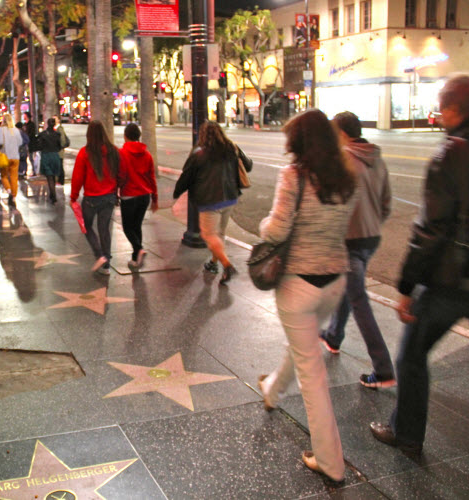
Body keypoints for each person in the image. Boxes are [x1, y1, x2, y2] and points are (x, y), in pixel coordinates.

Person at [370, 74, 469, 457]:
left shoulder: (451, 153)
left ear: (452, 109)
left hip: (452, 280)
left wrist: (406, 287)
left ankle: (407, 433)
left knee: (412, 356)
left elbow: (431, 229)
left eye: (441, 105)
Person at [257, 109, 357, 483]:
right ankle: (272, 390)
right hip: (335, 282)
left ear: (297, 142)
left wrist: (264, 224)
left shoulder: (294, 177)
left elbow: (276, 230)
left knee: (311, 373)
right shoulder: (346, 177)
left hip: (299, 283)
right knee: (305, 346)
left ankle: (330, 462)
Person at [320, 111, 395, 389]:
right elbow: (386, 204)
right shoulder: (377, 159)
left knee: (358, 298)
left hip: (349, 240)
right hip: (371, 238)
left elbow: (330, 206)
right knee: (350, 289)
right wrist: (371, 224)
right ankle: (334, 336)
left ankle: (383, 369)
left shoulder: (342, 161)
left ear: (341, 134)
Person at [173, 121, 252, 285]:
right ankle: (213, 264)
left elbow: (186, 177)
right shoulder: (231, 148)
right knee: (219, 234)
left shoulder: (198, 153)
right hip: (230, 198)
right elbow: (248, 166)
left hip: (210, 201)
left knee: (208, 235)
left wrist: (177, 192)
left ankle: (227, 265)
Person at [70, 120, 120, 275]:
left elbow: (77, 177)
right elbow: (119, 173)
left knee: (87, 227)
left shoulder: (84, 153)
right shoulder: (114, 151)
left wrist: (73, 196)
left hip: (91, 198)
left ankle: (99, 255)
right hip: (109, 197)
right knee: (104, 229)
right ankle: (106, 264)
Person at [118, 123, 158, 270]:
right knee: (137, 226)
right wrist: (154, 198)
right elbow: (151, 177)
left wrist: (118, 188)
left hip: (129, 195)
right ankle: (136, 259)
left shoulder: (122, 153)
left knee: (128, 227)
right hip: (144, 196)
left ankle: (138, 248)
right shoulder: (147, 154)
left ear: (125, 136)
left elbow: (120, 174)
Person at [0, 114, 21, 205]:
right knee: (14, 177)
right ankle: (14, 196)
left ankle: (9, 190)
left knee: (4, 176)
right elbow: (20, 142)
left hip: (5, 156)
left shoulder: (1, 130)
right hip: (15, 156)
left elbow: (0, 142)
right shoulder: (16, 130)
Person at [37, 117, 63, 204]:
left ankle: (53, 194)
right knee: (54, 176)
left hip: (46, 156)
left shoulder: (43, 134)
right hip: (55, 156)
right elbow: (60, 146)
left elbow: (39, 146)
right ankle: (52, 194)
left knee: (49, 177)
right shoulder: (57, 134)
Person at [53, 114, 70, 185]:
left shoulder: (59, 129)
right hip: (55, 151)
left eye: (55, 119)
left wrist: (59, 147)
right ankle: (57, 180)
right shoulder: (54, 128)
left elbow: (62, 140)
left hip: (59, 151)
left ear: (58, 120)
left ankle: (60, 181)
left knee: (60, 166)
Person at [24, 112, 39, 176]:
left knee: (31, 158)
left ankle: (34, 170)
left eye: (24, 115)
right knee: (25, 157)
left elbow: (31, 134)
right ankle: (25, 171)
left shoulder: (31, 124)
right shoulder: (25, 124)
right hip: (26, 143)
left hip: (30, 144)